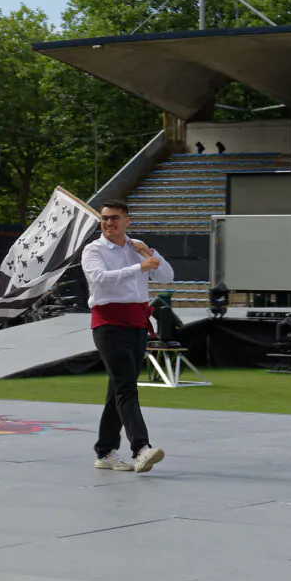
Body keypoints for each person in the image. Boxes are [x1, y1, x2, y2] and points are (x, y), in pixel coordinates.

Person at [81, 199, 171, 474]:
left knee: (119, 387)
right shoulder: (93, 249)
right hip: (108, 323)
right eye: (105, 218)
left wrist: (148, 253)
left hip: (137, 324)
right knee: (126, 386)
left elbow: (166, 276)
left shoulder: (137, 247)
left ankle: (105, 451)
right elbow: (99, 278)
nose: (109, 223)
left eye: (115, 218)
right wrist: (139, 268)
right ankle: (141, 448)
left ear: (127, 220)